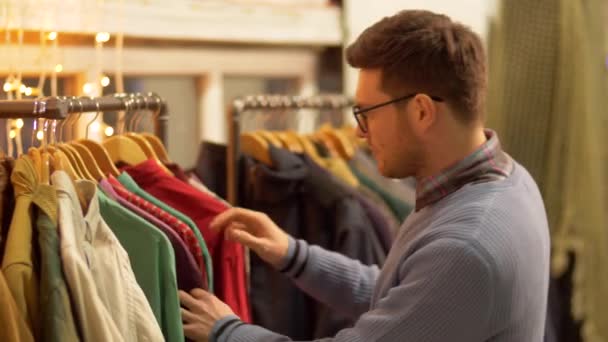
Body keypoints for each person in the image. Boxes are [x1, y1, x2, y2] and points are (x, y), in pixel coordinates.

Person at [178, 9, 550, 342]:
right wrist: (294, 255)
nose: (359, 132)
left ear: (421, 111)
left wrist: (228, 332)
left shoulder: (466, 244)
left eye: (367, 113)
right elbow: (405, 298)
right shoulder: (510, 181)